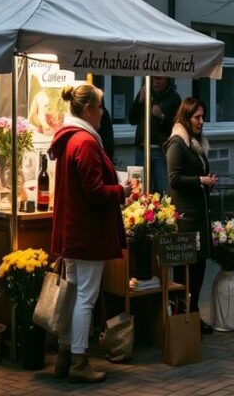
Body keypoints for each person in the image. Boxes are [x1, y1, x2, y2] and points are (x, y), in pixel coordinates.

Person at [47, 84, 132, 384]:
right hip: (87, 233)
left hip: (73, 232)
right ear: (87, 111)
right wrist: (121, 191)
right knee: (85, 297)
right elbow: (95, 192)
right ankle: (79, 362)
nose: (103, 113)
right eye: (99, 107)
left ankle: (65, 357)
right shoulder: (85, 142)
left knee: (74, 295)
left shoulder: (71, 138)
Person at [165, 96, 217, 334]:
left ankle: (193, 314)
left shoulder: (195, 143)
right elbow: (174, 179)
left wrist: (207, 181)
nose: (201, 121)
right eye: (197, 117)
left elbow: (199, 174)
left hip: (199, 215)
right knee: (186, 272)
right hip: (186, 219)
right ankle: (182, 318)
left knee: (198, 268)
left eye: (203, 117)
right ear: (186, 118)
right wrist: (200, 180)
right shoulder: (177, 143)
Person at [128, 76, 181, 194]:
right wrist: (138, 102)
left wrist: (161, 116)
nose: (155, 82)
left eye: (159, 79)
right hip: (142, 149)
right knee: (139, 189)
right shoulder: (145, 92)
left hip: (160, 151)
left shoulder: (173, 98)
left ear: (167, 80)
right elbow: (132, 119)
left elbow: (176, 126)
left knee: (162, 189)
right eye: (154, 79)